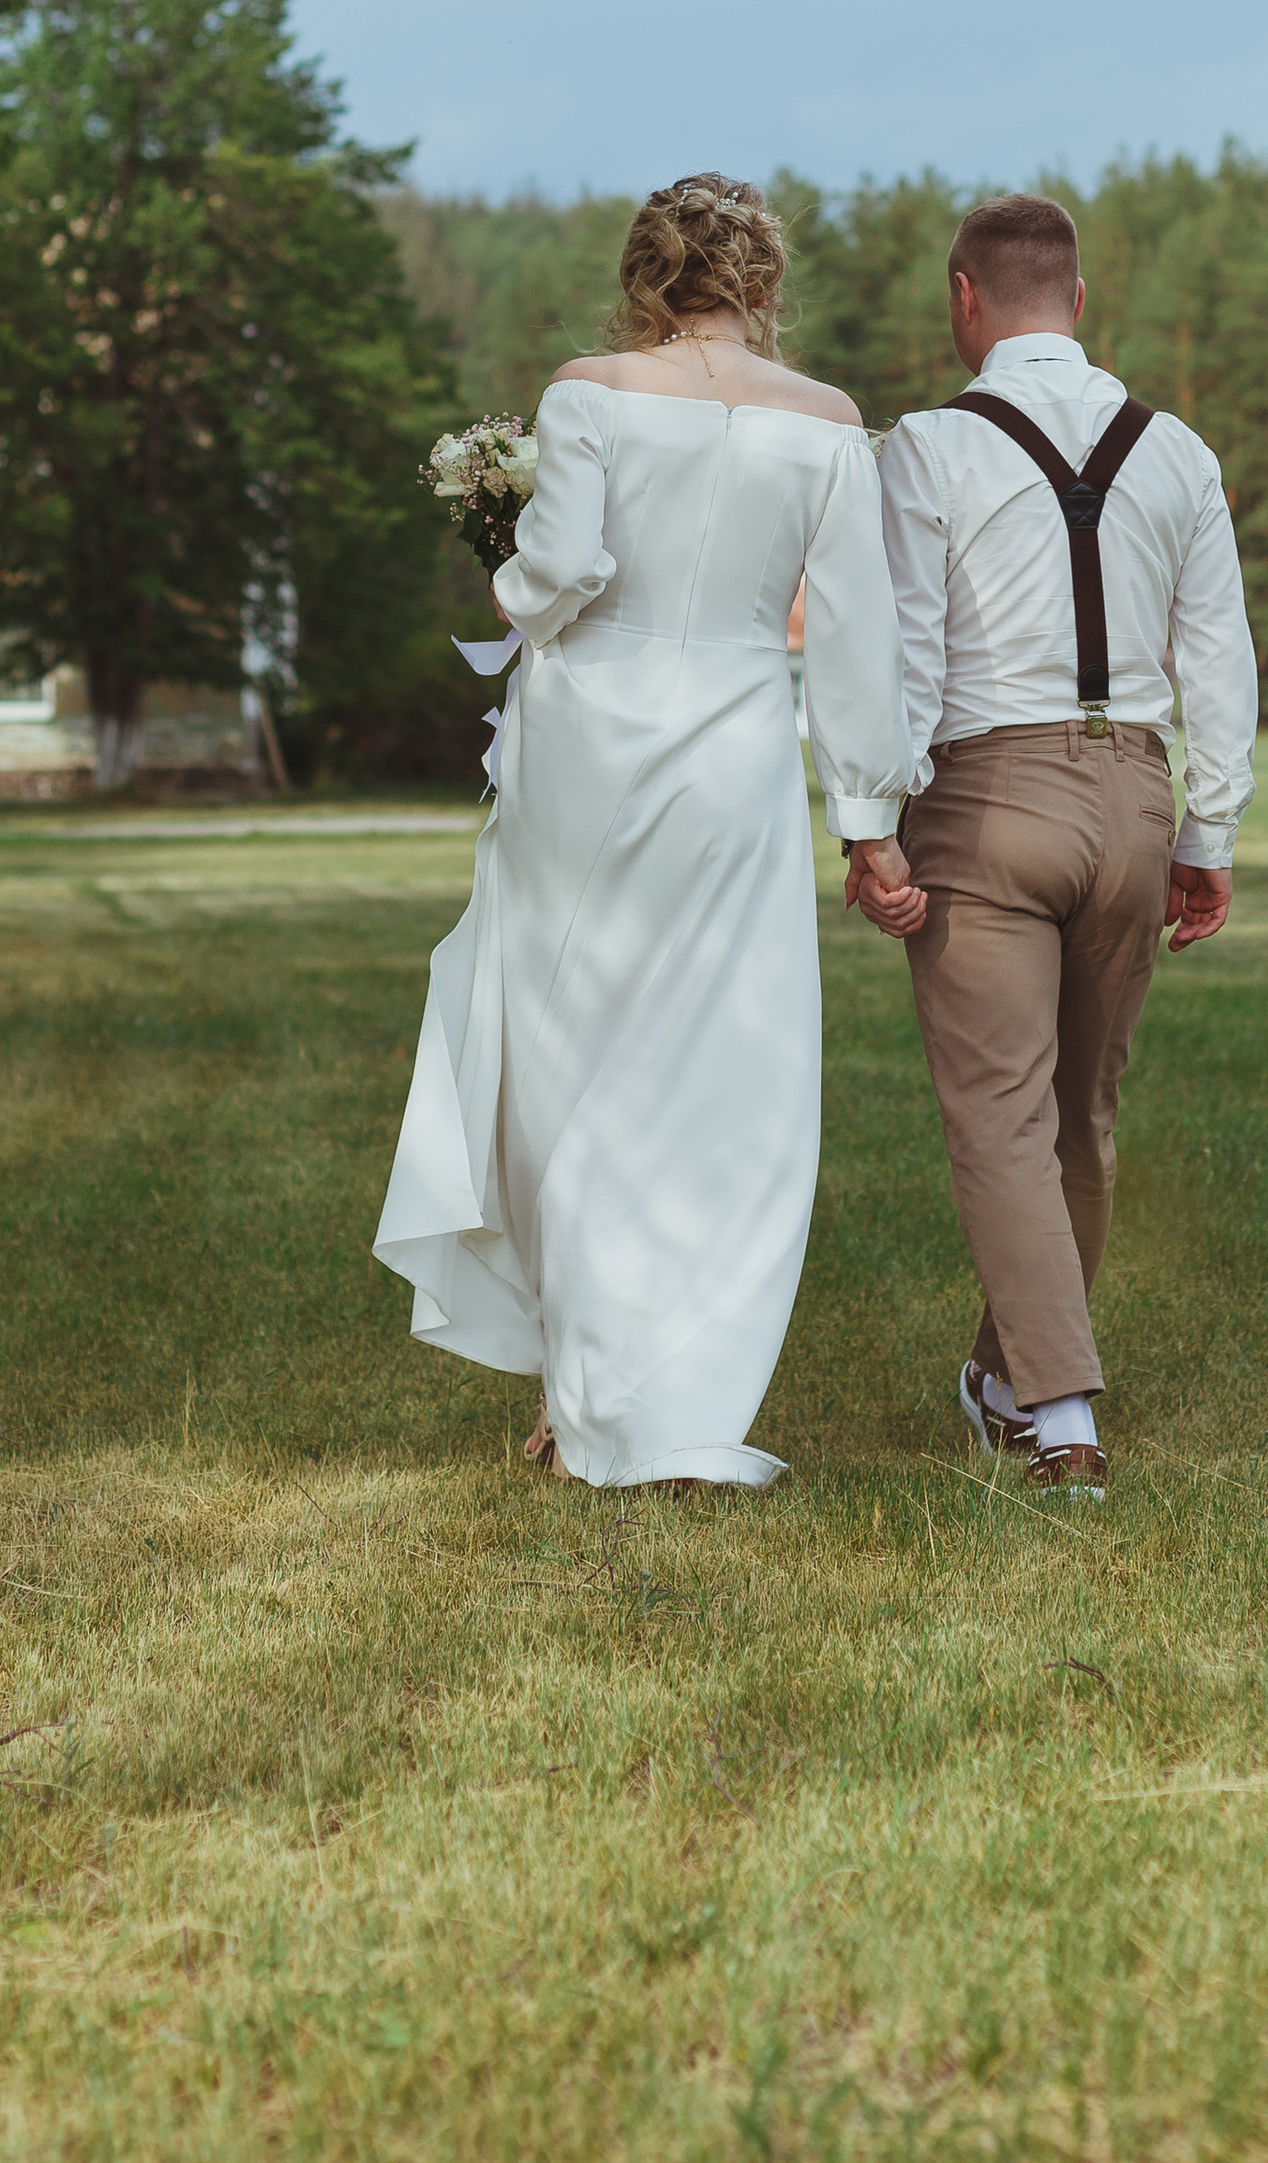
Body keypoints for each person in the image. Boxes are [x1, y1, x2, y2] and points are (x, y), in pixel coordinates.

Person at [374, 174, 924, 1489]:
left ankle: (590, 1391)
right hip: (736, 745)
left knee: (568, 1044)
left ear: (647, 276)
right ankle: (667, 1393)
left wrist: (502, 573)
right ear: (760, 282)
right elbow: (856, 641)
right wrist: (869, 824)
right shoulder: (834, 425)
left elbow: (563, 575)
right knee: (724, 1060)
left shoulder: (589, 389)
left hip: (593, 744)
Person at [862, 193, 1257, 1501]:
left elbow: (908, 648)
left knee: (1003, 1122)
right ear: (1079, 303)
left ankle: (1063, 1420)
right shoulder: (1180, 453)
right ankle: (1001, 1376)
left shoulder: (924, 450)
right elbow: (1219, 656)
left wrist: (874, 819)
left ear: (964, 300)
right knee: (1079, 1118)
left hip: (989, 797)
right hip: (1135, 797)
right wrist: (1210, 829)